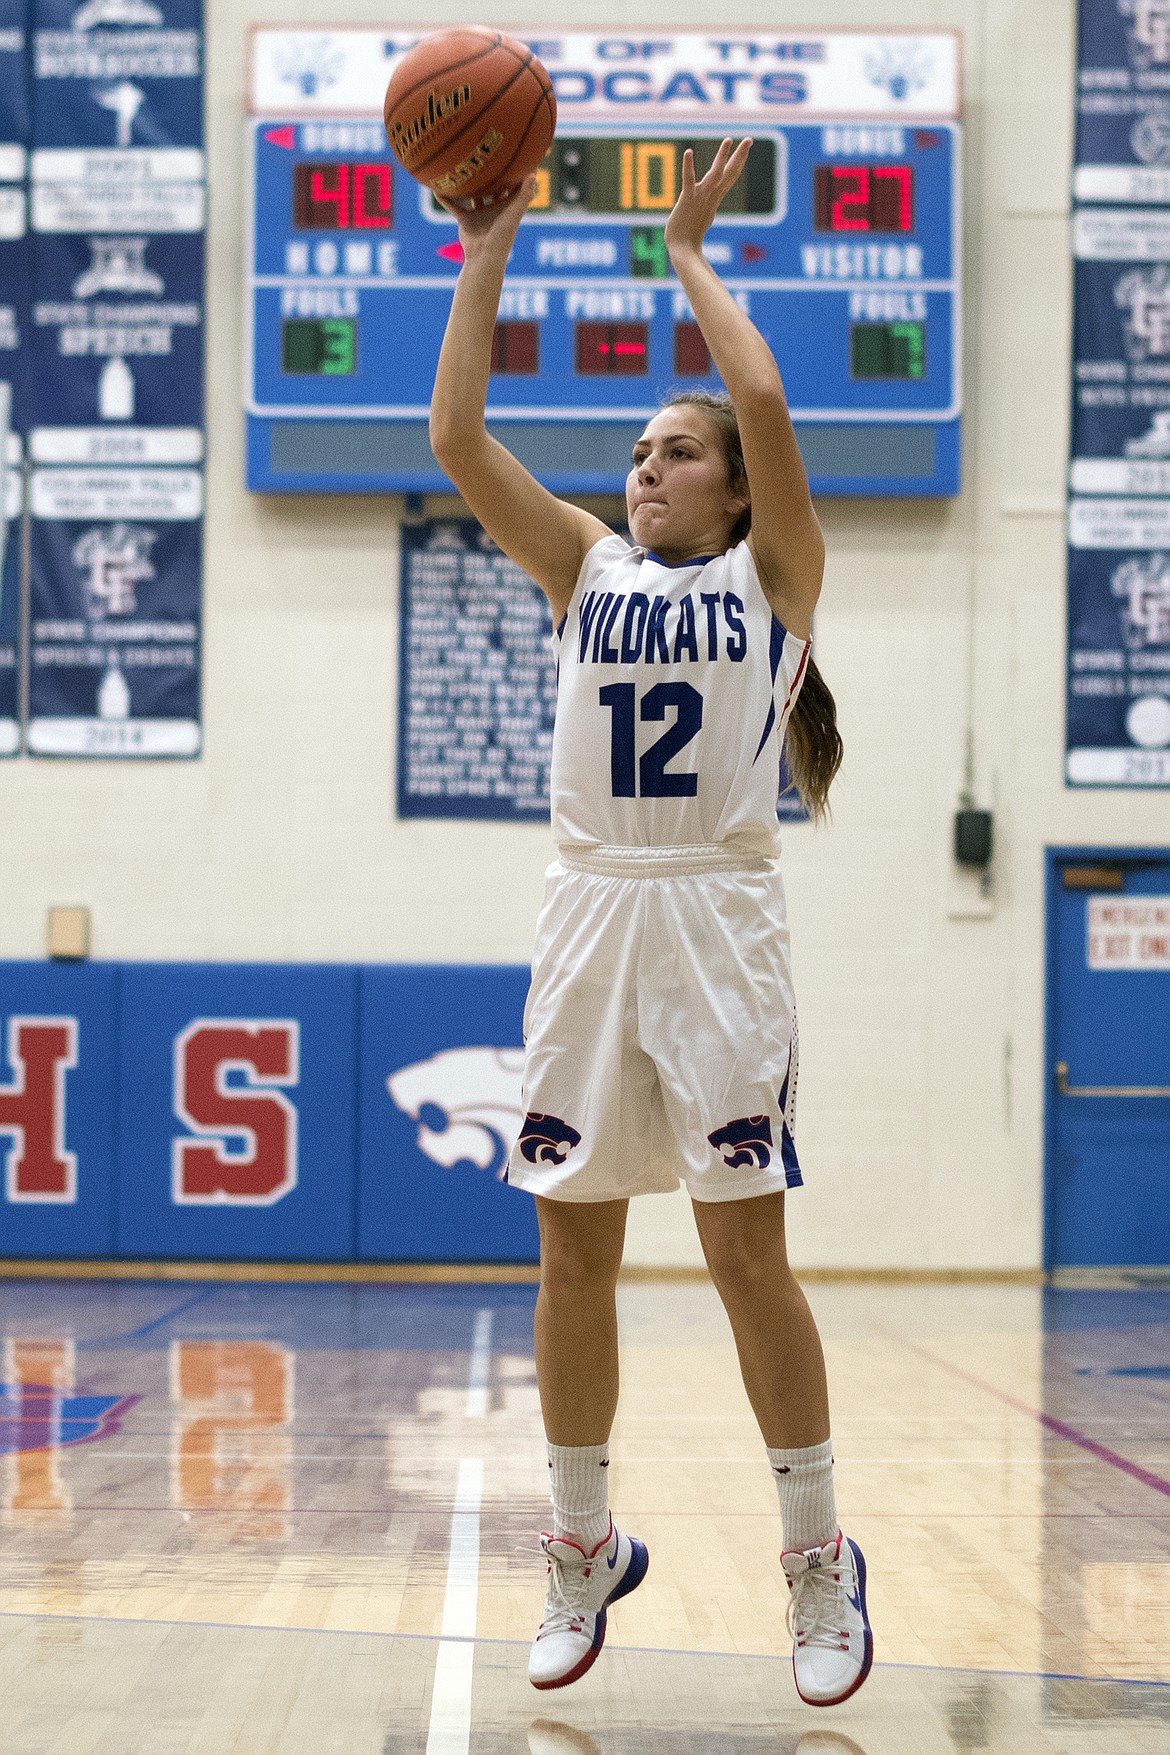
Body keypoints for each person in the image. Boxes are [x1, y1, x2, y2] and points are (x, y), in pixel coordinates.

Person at [429, 140, 869, 1709]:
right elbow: (459, 433)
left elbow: (764, 402)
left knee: (746, 1257)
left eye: (672, 452)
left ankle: (817, 1561)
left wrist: (685, 254)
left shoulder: (776, 575)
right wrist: (488, 241)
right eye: (635, 450)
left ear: (733, 491)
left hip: (716, 925)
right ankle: (578, 1543)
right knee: (570, 1259)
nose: (644, 467)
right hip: (588, 919)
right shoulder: (584, 567)